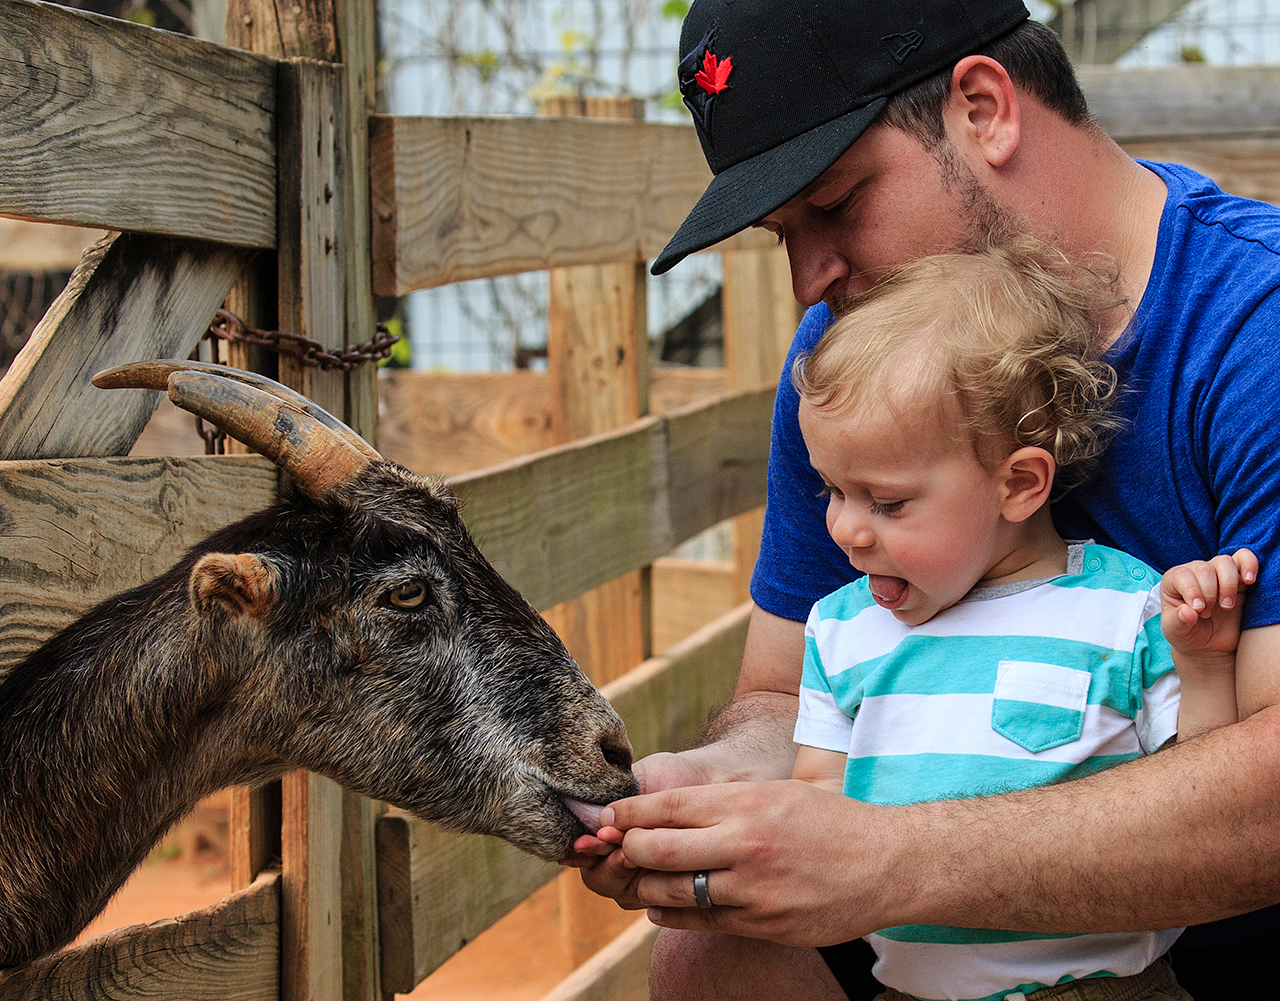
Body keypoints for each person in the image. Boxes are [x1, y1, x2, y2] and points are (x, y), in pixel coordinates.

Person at [561, 0, 1280, 997]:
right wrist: (719, 784)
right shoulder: (850, 357)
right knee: (704, 939)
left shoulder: (1254, 330)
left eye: (834, 201)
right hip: (919, 961)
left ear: (982, 108)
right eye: (782, 232)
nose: (810, 278)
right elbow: (782, 691)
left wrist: (888, 855)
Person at [788, 237, 1252, 1001]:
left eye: (888, 501)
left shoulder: (1123, 608)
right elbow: (817, 807)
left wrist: (1201, 663)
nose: (846, 529)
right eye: (832, 491)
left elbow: (1200, 792)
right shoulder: (840, 633)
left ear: (1019, 484)